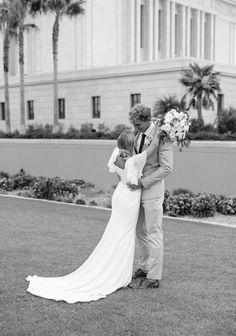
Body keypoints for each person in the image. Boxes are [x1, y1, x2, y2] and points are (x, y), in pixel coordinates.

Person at [26, 125, 161, 304]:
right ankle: (119, 274)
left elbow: (118, 176)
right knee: (125, 234)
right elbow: (151, 149)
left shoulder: (116, 154)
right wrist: (158, 136)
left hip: (120, 194)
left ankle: (117, 268)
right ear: (131, 145)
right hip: (129, 198)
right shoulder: (134, 160)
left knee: (116, 231)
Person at [127, 104, 173, 289]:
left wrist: (144, 182)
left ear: (148, 120)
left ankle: (154, 277)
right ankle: (144, 267)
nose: (135, 129)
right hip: (137, 191)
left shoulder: (163, 136)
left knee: (154, 232)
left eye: (138, 125)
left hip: (152, 191)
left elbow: (167, 167)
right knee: (139, 231)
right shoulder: (138, 133)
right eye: (134, 125)